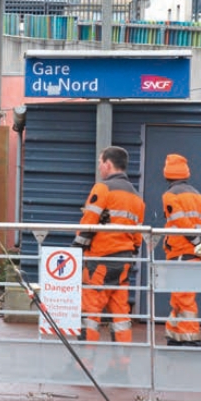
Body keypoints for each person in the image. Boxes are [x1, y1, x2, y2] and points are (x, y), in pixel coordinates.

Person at [73, 146, 145, 344]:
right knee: (120, 314)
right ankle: (121, 367)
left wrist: (76, 249)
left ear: (108, 164)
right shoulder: (137, 197)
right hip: (124, 261)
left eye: (99, 163)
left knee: (90, 312)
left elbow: (88, 223)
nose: (99, 167)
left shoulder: (102, 188)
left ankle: (83, 366)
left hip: (100, 260)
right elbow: (137, 235)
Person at [160, 153, 201, 347]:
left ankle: (191, 340)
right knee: (179, 296)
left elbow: (181, 222)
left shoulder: (170, 196)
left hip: (180, 252)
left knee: (183, 298)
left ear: (167, 174)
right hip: (194, 255)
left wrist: (196, 242)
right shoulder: (198, 196)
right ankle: (175, 336)